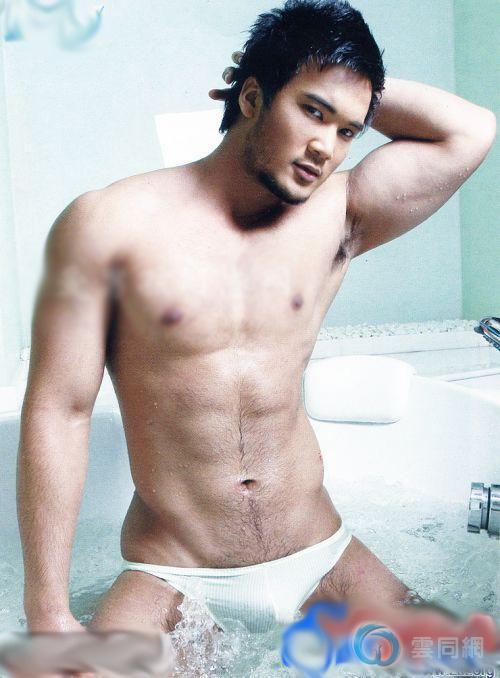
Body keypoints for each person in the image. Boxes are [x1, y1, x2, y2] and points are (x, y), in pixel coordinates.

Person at [17, 0, 496, 645]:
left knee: (467, 664)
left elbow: (471, 131)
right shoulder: (108, 223)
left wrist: (350, 89)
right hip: (174, 572)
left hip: (321, 555)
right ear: (251, 98)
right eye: (312, 111)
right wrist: (49, 613)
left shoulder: (339, 213)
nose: (326, 147)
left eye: (348, 131)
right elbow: (61, 409)